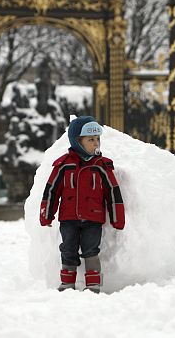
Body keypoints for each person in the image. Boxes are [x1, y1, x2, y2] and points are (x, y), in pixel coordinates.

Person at [40, 116, 125, 293]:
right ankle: (67, 283)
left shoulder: (101, 166)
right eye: (90, 140)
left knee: (91, 250)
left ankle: (93, 283)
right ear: (77, 141)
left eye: (97, 139)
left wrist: (117, 218)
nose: (96, 144)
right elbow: (51, 190)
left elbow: (112, 192)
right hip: (68, 218)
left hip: (93, 218)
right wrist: (46, 215)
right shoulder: (64, 165)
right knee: (68, 248)